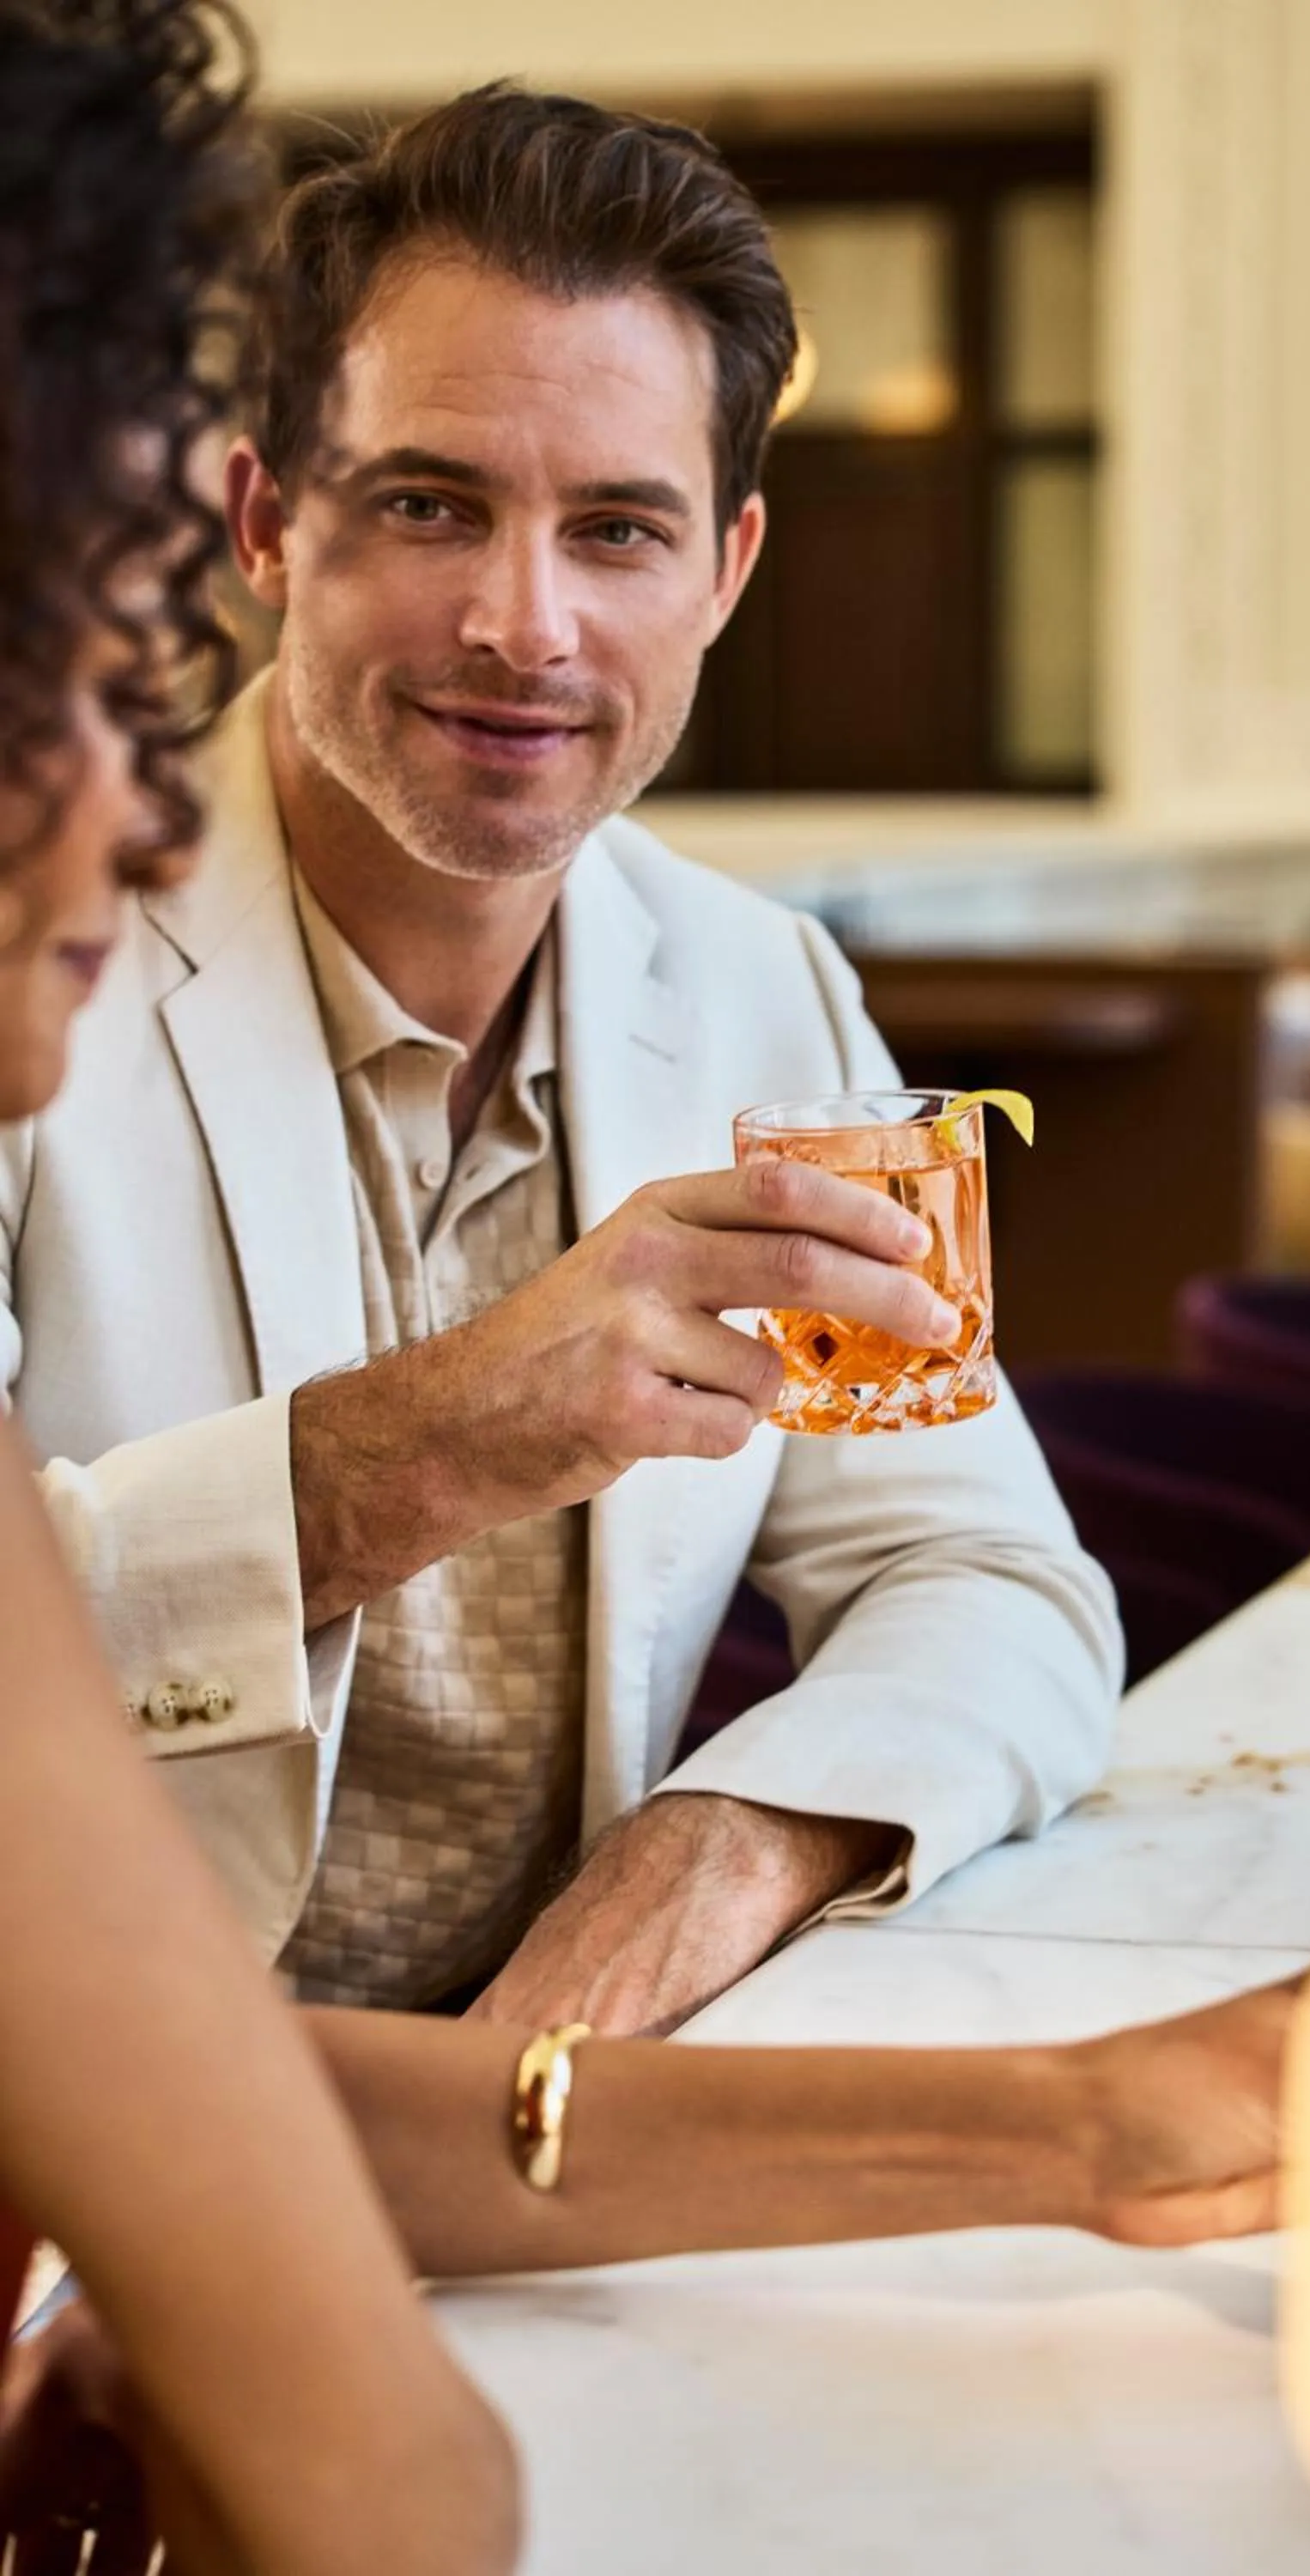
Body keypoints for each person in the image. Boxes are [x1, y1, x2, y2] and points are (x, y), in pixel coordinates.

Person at [0, 84, 1123, 2032]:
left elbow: (989, 1577)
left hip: (541, 2146)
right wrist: (423, 1446)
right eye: (430, 504)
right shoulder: (38, 936)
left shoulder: (763, 986)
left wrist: (720, 1849)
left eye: (618, 529)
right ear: (268, 522)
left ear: (726, 572)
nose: (524, 624)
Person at [0, 3, 523, 2566]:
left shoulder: (765, 977)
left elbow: (200, 2086)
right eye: (76, 668)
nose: (137, 796)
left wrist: (1103, 2122)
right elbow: (387, 2495)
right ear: (262, 527)